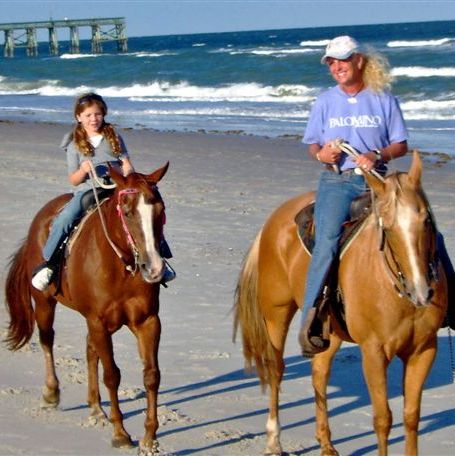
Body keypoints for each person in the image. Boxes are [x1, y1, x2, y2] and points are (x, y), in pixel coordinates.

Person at [31, 92, 176, 291]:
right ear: (78, 117)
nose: (93, 119)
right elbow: (73, 180)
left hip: (117, 188)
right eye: (88, 115)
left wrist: (130, 179)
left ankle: (161, 257)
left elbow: (126, 164)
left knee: (146, 214)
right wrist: (83, 170)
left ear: (104, 115)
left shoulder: (113, 137)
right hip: (88, 190)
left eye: (97, 114)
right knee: (65, 219)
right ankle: (49, 263)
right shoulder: (74, 144)